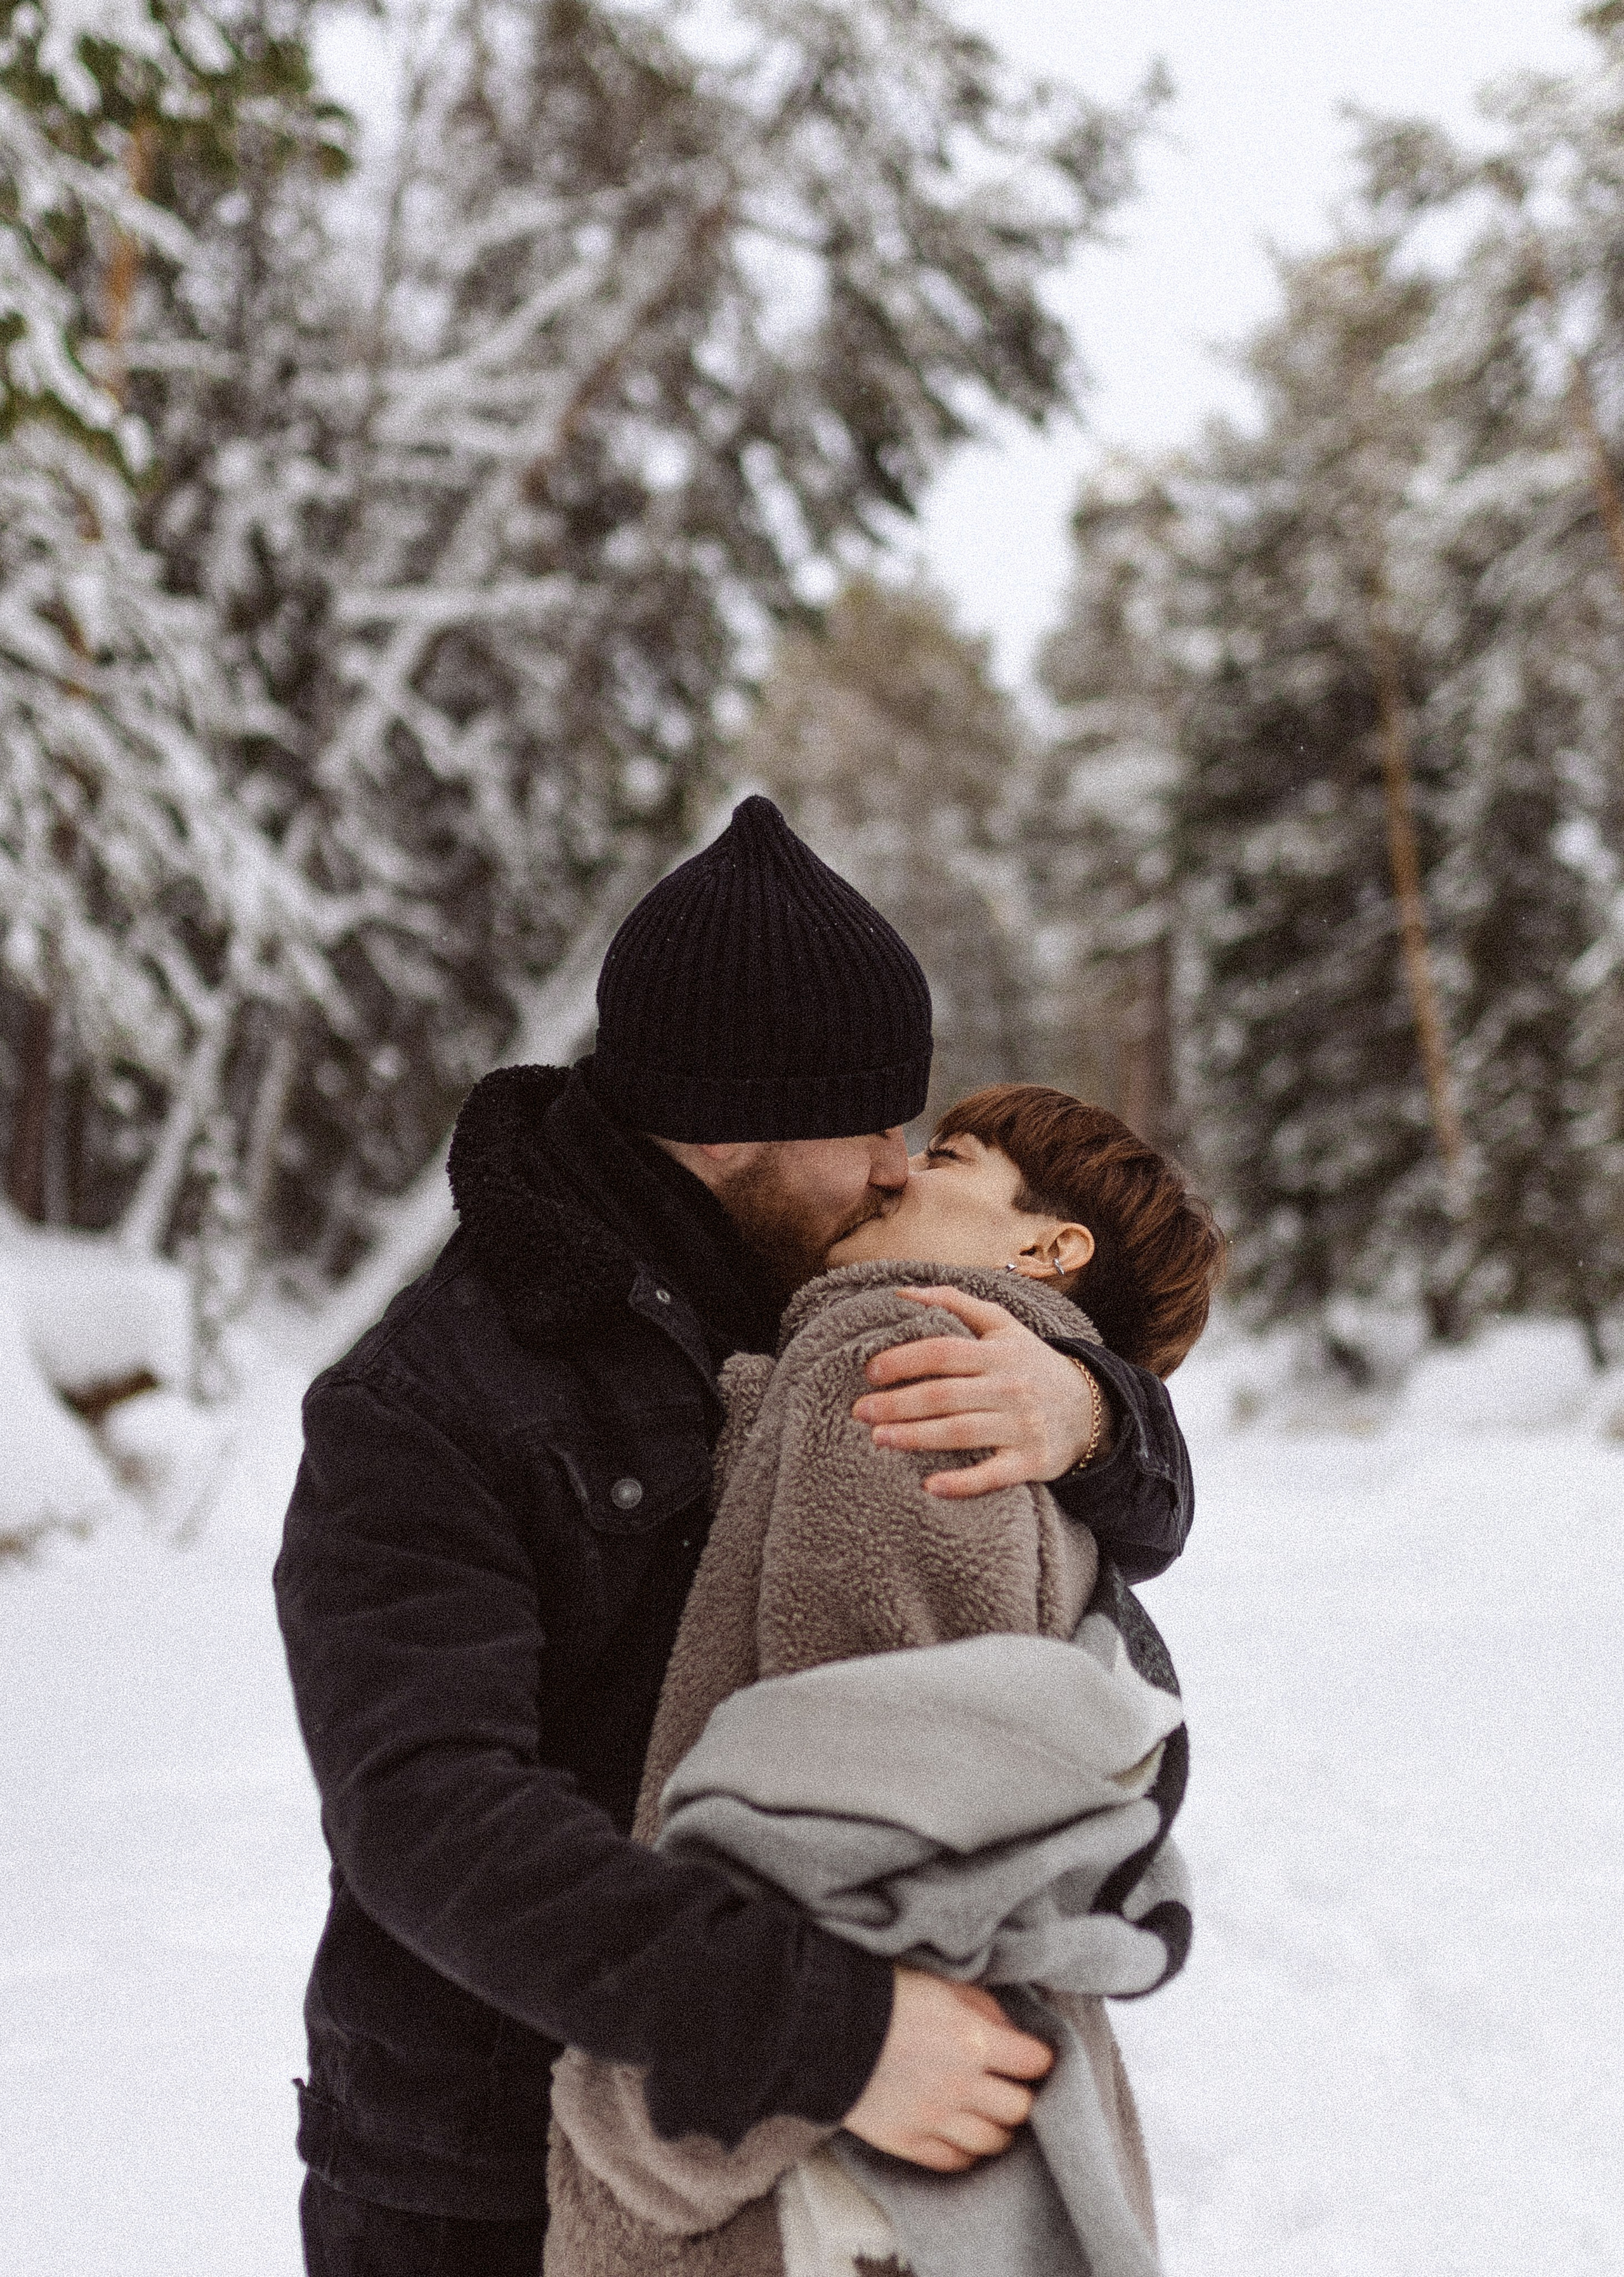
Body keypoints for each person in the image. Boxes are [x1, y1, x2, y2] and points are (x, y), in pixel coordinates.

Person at [274, 798, 1196, 2276]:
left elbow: (1054, 1629)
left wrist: (1099, 1418)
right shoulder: (429, 1398)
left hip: (760, 2182)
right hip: (477, 2182)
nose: (900, 1168)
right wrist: (826, 2034)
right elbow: (424, 1814)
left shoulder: (833, 1303)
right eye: (867, 1124)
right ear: (725, 1126)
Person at [544, 1082, 1224, 2277]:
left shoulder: (900, 1369)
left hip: (831, 2189)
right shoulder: (1033, 1425)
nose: (899, 1168)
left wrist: (647, 2116)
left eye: (950, 1157)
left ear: (1049, 1246)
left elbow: (861, 1814)